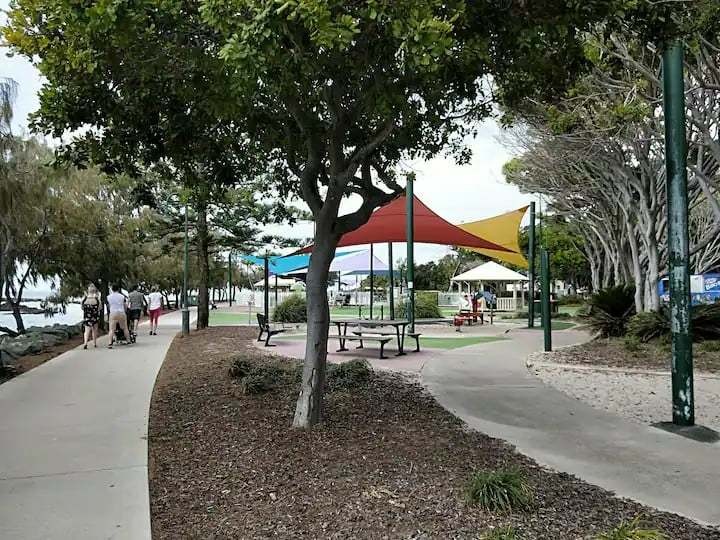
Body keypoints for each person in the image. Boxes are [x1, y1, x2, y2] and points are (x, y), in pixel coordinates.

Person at [107, 284, 130, 348]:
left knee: (111, 329)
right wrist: (125, 310)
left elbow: (109, 306)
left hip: (113, 313)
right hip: (121, 312)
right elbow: (125, 305)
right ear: (118, 289)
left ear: (112, 289)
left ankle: (110, 343)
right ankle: (128, 340)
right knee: (125, 328)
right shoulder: (122, 296)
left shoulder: (108, 297)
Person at [81, 284, 101, 349]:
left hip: (87, 316)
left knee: (87, 330)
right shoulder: (97, 299)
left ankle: (85, 343)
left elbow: (82, 307)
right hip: (95, 316)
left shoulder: (84, 299)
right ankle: (94, 343)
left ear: (88, 290)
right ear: (94, 290)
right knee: (94, 330)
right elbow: (100, 307)